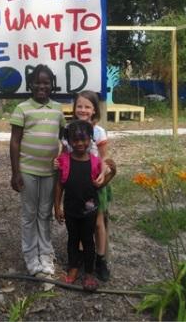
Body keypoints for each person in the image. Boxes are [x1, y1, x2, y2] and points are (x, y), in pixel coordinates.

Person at [10, 64, 66, 277]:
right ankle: (30, 256)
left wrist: (64, 162)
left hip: (50, 172)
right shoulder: (23, 108)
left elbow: (62, 139)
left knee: (45, 213)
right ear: (31, 84)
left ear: (52, 85)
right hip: (27, 170)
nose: (42, 86)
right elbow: (14, 142)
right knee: (29, 214)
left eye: (46, 82)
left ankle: (45, 253)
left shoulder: (58, 110)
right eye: (38, 82)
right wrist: (15, 173)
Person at [70, 90, 116, 281]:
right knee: (81, 222)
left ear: (94, 110)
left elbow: (105, 157)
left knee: (98, 223)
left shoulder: (98, 131)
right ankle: (81, 256)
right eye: (79, 106)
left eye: (87, 106)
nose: (83, 110)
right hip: (78, 184)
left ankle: (100, 259)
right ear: (74, 108)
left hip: (96, 183)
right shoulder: (70, 128)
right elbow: (66, 154)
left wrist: (102, 173)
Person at [54, 120, 104, 291]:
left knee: (88, 240)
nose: (80, 144)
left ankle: (89, 272)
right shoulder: (64, 160)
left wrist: (111, 172)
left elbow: (100, 184)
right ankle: (73, 267)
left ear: (90, 139)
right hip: (71, 209)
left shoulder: (96, 162)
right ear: (69, 141)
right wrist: (57, 207)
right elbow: (60, 185)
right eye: (75, 140)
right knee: (73, 239)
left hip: (89, 210)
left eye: (84, 139)